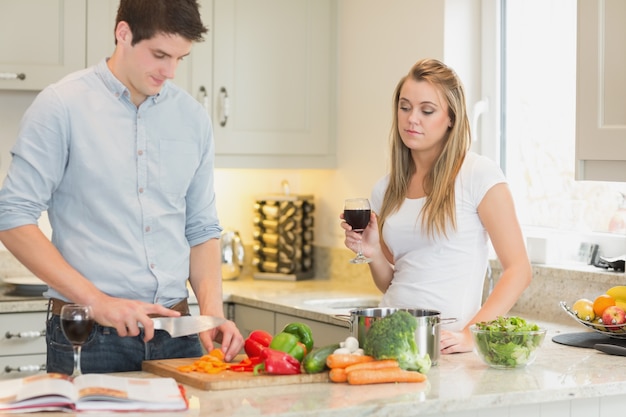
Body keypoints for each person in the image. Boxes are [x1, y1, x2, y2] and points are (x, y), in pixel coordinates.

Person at [0, 0, 243, 373]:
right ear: (123, 33)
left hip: (179, 335)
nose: (170, 71)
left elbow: (202, 228)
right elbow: (12, 217)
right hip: (91, 334)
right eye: (160, 55)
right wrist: (98, 302)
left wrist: (212, 315)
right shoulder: (61, 106)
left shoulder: (192, 118)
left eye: (180, 58)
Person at [341, 58, 532, 354]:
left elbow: (519, 270)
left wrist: (472, 335)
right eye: (404, 107)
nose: (411, 119)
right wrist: (374, 253)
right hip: (386, 335)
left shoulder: (478, 175)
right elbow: (394, 282)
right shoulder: (385, 189)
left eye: (426, 110)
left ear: (451, 118)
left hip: (444, 344)